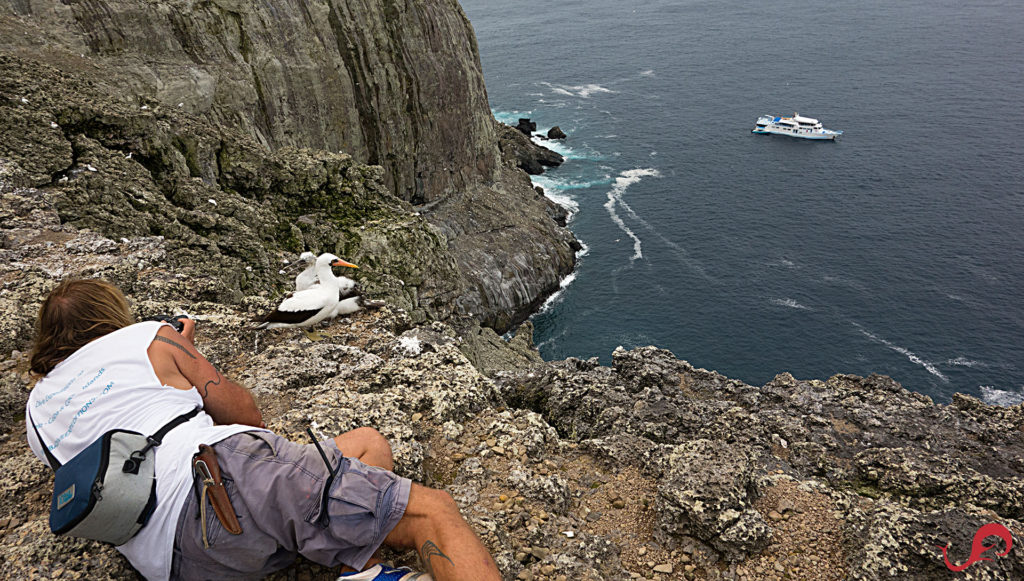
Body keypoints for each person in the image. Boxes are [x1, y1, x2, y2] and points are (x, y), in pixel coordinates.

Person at [25, 279, 501, 581]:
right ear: (112, 317)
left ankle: (348, 560)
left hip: (176, 562)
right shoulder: (148, 336)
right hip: (223, 478)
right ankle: (362, 563)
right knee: (434, 512)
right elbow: (247, 416)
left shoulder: (37, 411)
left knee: (366, 444)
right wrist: (186, 355)